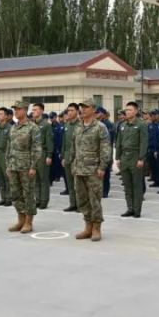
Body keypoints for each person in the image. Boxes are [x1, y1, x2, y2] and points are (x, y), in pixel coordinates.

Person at [66, 99, 112, 241]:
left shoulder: (100, 127)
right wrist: (72, 164)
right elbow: (73, 148)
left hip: (93, 170)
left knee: (95, 200)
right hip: (79, 169)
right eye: (82, 108)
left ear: (93, 109)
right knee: (82, 200)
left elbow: (105, 149)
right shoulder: (78, 127)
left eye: (86, 108)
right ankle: (88, 227)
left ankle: (96, 228)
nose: (83, 110)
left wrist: (102, 167)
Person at [7, 101, 41, 233]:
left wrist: (33, 166)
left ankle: (28, 221)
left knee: (28, 194)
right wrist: (8, 165)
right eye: (14, 109)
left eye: (18, 109)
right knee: (15, 193)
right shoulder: (13, 127)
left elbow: (37, 149)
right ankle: (20, 219)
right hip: (14, 165)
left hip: (26, 166)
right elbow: (9, 147)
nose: (15, 112)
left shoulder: (33, 127)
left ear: (25, 110)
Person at [116, 101, 149, 218]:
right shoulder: (122, 125)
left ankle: (137, 210)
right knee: (127, 185)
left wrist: (141, 158)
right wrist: (118, 157)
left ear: (135, 111)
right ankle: (129, 208)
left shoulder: (141, 125)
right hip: (124, 157)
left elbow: (144, 143)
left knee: (137, 185)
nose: (127, 112)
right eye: (126, 109)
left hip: (135, 157)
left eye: (130, 110)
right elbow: (118, 142)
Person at [31, 103, 54, 209]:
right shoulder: (31, 124)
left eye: (35, 109)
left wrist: (49, 155)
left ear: (41, 111)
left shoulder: (46, 125)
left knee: (43, 178)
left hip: (42, 153)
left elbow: (49, 141)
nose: (33, 111)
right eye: (33, 110)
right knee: (35, 179)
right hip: (33, 154)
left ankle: (44, 200)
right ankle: (38, 199)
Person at [61, 103, 79, 212]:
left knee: (79, 184)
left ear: (77, 111)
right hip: (67, 157)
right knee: (70, 183)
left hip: (77, 157)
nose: (69, 112)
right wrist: (63, 156)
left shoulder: (81, 125)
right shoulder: (67, 125)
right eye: (68, 111)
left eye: (72, 110)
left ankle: (80, 205)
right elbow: (64, 142)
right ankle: (73, 204)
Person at [0, 108, 13, 206]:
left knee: (7, 177)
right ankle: (3, 197)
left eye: (0, 114)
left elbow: (12, 144)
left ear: (6, 116)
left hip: (6, 154)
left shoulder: (10, 128)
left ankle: (9, 198)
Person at [96, 107, 116, 198]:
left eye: (98, 113)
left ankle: (105, 191)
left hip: (106, 150)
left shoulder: (108, 124)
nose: (96, 114)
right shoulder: (97, 123)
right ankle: (100, 190)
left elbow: (110, 139)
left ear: (103, 113)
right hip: (97, 151)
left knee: (106, 172)